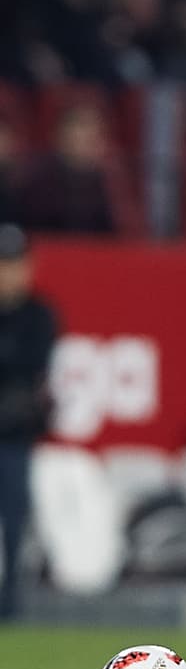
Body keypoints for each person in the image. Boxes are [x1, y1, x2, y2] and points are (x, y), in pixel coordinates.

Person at [0, 224, 58, 619]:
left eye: (14, 265)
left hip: (13, 437)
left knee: (14, 521)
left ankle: (10, 602)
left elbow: (30, 366)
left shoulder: (38, 315)